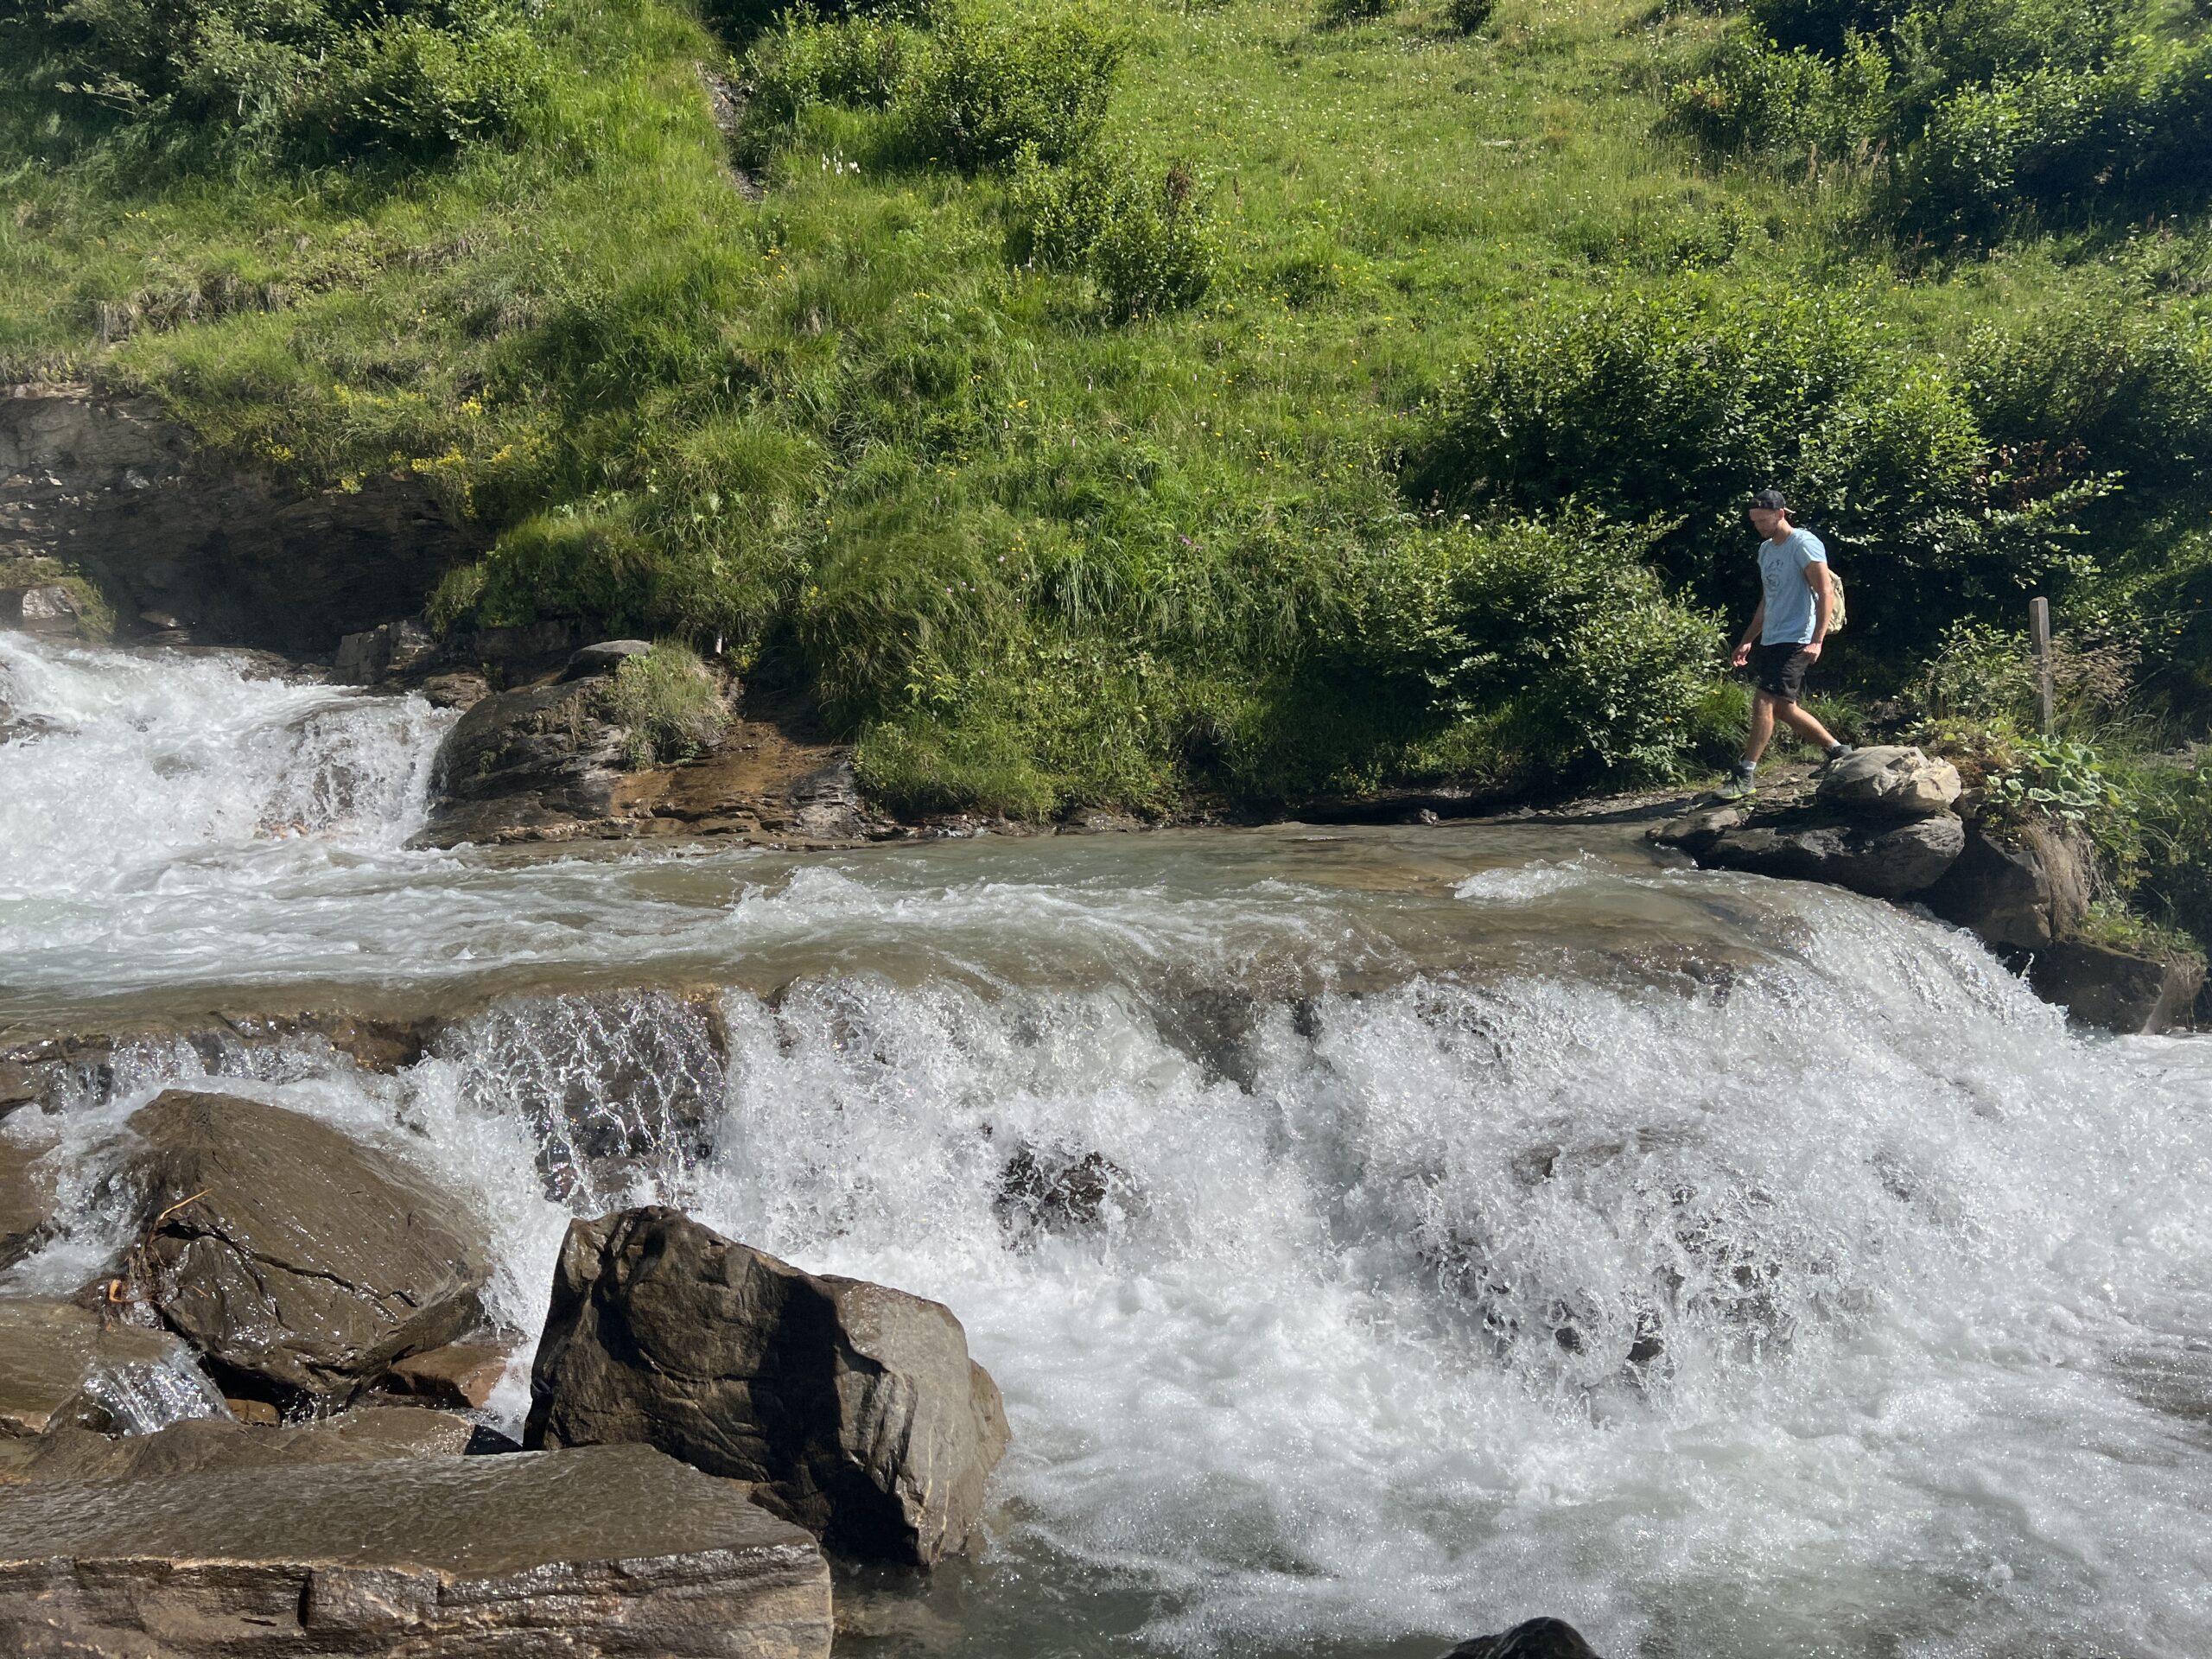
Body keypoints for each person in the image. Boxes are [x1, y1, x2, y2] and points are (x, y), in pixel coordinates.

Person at [1713, 488, 1851, 800]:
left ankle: (1745, 773)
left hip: (1798, 637)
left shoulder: (1803, 543)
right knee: (1785, 708)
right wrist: (1747, 640)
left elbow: (1825, 592)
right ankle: (1838, 751)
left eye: (1764, 520)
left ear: (1782, 513)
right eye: (1755, 522)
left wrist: (1817, 641)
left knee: (1763, 700)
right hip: (1774, 637)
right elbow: (1767, 599)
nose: (1760, 526)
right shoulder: (1765, 550)